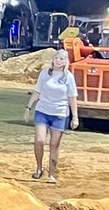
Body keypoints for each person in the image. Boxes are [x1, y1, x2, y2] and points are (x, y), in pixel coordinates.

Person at [24, 48, 79, 184]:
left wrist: (75, 116)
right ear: (53, 59)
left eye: (62, 59)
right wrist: (28, 107)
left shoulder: (68, 77)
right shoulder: (44, 74)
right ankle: (38, 168)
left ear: (66, 61)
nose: (58, 61)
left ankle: (52, 173)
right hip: (43, 111)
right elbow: (37, 92)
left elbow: (72, 98)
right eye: (57, 58)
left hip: (60, 114)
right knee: (39, 140)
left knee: (54, 145)